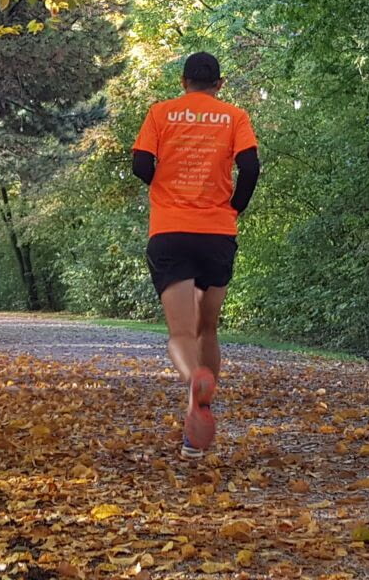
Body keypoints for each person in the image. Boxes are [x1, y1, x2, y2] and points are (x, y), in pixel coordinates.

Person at [132, 51, 260, 459]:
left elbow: (139, 164)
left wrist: (164, 187)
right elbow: (251, 167)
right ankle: (196, 421)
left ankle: (194, 377)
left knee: (181, 333)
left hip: (169, 230)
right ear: (218, 84)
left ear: (183, 81)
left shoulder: (160, 113)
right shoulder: (234, 117)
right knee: (208, 328)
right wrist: (234, 206)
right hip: (216, 233)